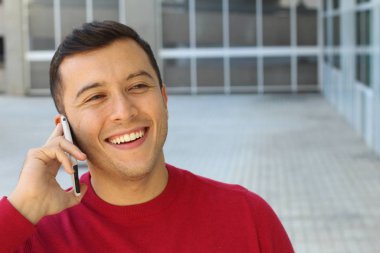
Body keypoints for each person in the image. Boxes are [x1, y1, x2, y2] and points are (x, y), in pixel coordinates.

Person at [0, 21, 294, 252]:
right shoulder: (33, 237)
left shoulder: (245, 216)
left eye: (138, 86)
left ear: (164, 97)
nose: (124, 111)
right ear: (64, 127)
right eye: (96, 97)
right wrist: (22, 208)